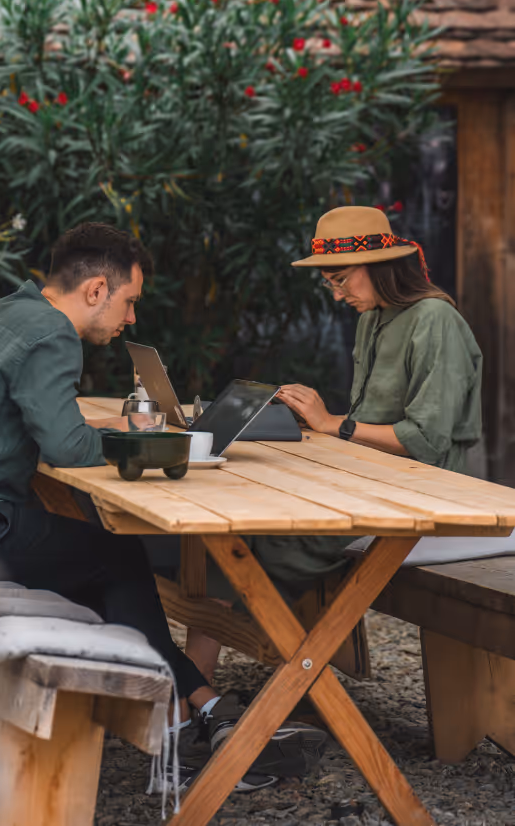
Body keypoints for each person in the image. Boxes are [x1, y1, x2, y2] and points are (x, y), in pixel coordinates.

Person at [0, 221, 327, 792]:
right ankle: (182, 739)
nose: (131, 319)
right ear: (95, 290)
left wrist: (112, 424)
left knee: (101, 567)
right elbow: (68, 448)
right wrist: (164, 445)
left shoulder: (9, 312)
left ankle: (199, 711)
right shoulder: (52, 335)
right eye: (129, 302)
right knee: (114, 561)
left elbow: (43, 420)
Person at [179, 205, 483, 690]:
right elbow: (364, 421)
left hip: (424, 491)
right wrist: (316, 422)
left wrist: (331, 424)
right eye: (330, 284)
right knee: (237, 524)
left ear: (381, 266)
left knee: (270, 536)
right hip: (368, 478)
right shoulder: (373, 318)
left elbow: (426, 440)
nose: (338, 294)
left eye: (342, 280)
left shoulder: (435, 320)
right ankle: (197, 687)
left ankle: (246, 664)